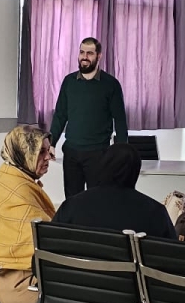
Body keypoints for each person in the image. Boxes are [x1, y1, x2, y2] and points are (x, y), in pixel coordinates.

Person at [0, 125, 57, 303]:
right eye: (41, 152)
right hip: (8, 284)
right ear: (23, 153)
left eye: (48, 150)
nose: (48, 157)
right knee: (78, 286)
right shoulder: (18, 191)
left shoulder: (8, 174)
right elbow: (47, 244)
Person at [47, 37, 129, 199]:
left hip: (98, 154)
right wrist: (51, 142)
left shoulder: (111, 84)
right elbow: (60, 115)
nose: (84, 57)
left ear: (99, 56)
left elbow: (120, 121)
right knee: (72, 200)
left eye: (90, 53)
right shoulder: (69, 81)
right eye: (82, 52)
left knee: (97, 201)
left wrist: (121, 154)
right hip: (71, 153)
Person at [53, 143, 175, 240]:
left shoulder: (71, 206)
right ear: (136, 171)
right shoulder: (156, 213)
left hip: (77, 264)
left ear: (102, 166)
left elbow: (51, 245)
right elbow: (172, 256)